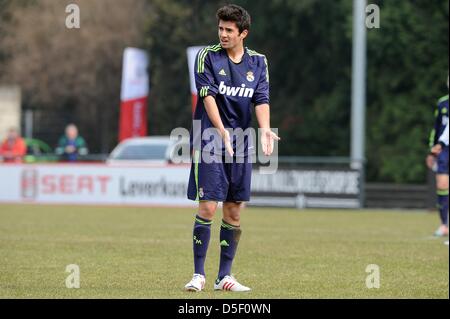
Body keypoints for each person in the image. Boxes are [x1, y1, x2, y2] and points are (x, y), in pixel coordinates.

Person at [184, 4, 280, 292]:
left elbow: (261, 98)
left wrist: (264, 129)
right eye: (220, 29)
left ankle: (223, 277)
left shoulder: (258, 62)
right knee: (209, 205)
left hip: (240, 142)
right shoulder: (207, 57)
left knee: (234, 210)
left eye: (229, 30)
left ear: (243, 33)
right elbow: (208, 97)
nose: (223, 34)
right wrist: (221, 130)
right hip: (210, 138)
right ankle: (198, 275)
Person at [426, 80, 448, 237]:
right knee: (442, 184)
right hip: (446, 150)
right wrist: (434, 149)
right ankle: (444, 224)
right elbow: (441, 129)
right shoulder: (443, 104)